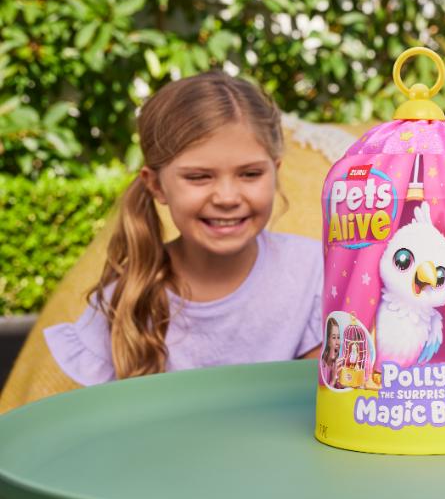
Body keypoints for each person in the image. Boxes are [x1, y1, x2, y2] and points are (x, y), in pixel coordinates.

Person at [44, 71, 323, 384]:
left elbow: (321, 397)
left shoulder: (314, 273)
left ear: (275, 172)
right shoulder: (125, 298)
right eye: (199, 177)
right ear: (156, 185)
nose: (227, 198)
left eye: (250, 174)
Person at [321, 316, 343, 388]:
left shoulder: (335, 364)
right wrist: (333, 380)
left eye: (338, 337)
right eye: (334, 337)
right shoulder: (321, 366)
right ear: (327, 341)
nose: (337, 342)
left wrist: (340, 380)